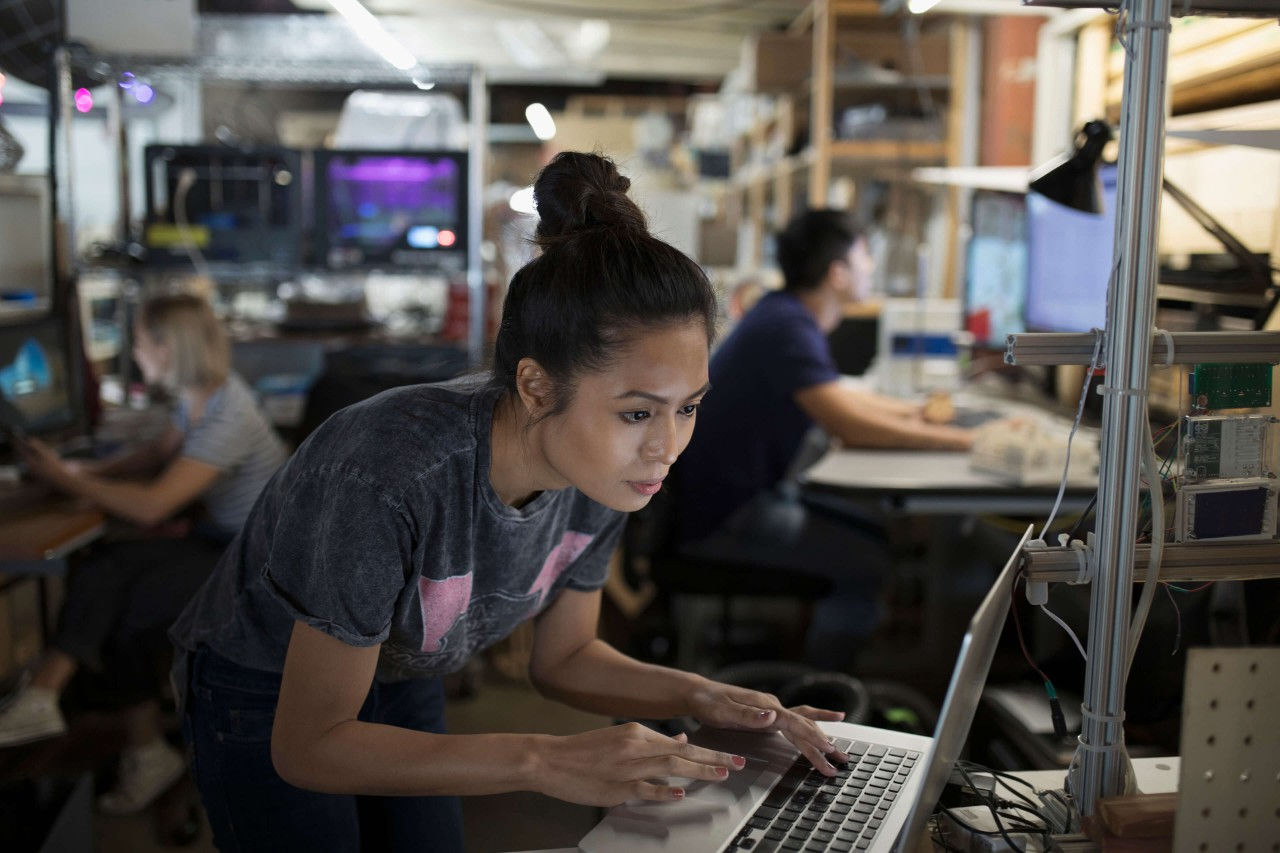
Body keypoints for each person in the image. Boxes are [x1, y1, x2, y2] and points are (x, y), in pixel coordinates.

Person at [167, 152, 849, 853]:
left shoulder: (604, 470)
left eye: (689, 408)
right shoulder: (391, 470)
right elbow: (309, 745)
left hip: (400, 669)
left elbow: (566, 655)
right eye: (640, 413)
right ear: (535, 386)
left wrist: (700, 695)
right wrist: (546, 759)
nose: (668, 446)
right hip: (265, 685)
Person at [0, 293, 287, 815]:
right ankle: (44, 695)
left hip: (255, 562)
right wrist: (90, 474)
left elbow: (154, 506)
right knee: (105, 567)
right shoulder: (199, 393)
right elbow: (159, 453)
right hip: (221, 539)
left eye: (139, 343)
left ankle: (143, 749)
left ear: (166, 347)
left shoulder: (228, 413)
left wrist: (62, 477)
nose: (135, 355)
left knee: (129, 612)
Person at [671, 209, 977, 668]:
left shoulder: (783, 315)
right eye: (864, 256)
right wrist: (967, 443)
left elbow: (840, 397)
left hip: (728, 500)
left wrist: (919, 414)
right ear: (837, 273)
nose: (870, 267)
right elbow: (848, 425)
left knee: (875, 531)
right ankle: (828, 696)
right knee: (868, 561)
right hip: (725, 517)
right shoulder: (787, 327)